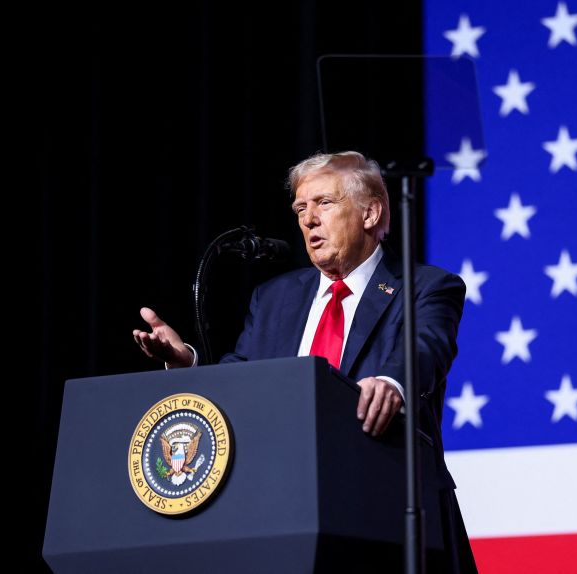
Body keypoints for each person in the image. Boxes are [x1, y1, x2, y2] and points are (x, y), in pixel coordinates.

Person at [133, 151, 477, 572]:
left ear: (370, 213)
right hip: (283, 512)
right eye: (300, 209)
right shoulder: (274, 297)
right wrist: (186, 362)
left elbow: (425, 349)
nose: (309, 220)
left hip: (384, 507)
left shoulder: (426, 287)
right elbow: (240, 381)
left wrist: (392, 382)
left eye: (324, 203)